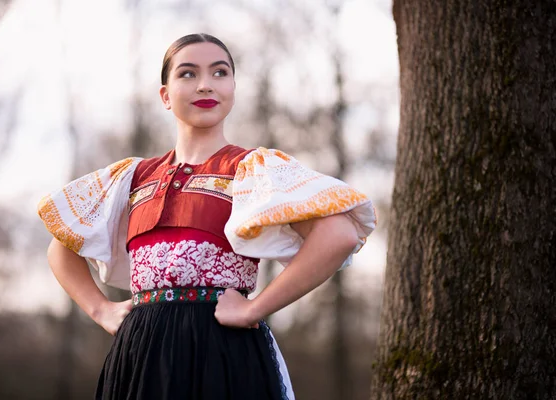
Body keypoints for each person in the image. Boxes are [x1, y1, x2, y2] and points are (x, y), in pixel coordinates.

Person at [38, 33, 376, 400]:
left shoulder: (251, 172)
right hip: (140, 354)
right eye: (187, 74)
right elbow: (61, 247)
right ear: (165, 95)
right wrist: (100, 309)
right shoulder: (132, 179)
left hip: (221, 350)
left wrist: (254, 309)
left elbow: (339, 233)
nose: (205, 85)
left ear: (233, 87)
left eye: (219, 73)